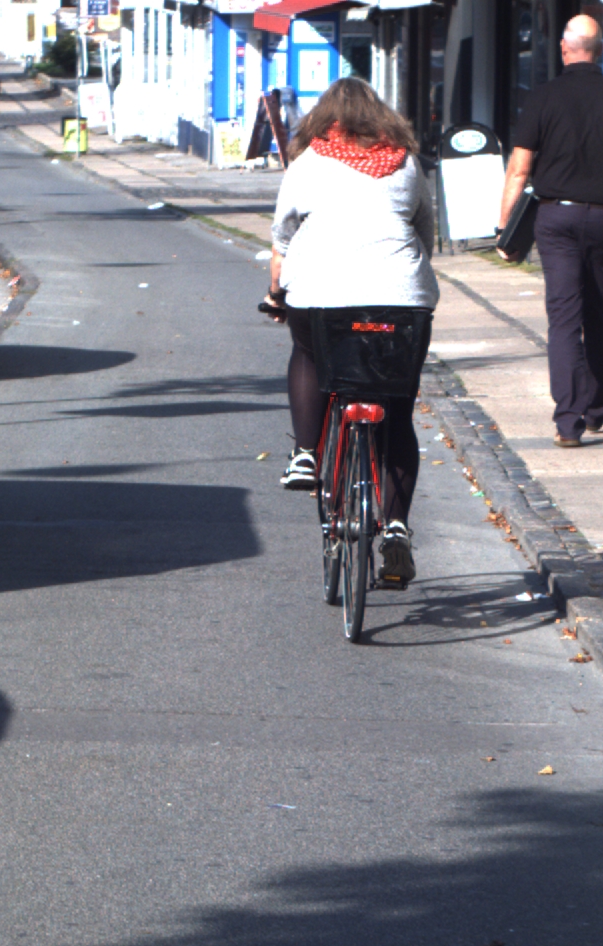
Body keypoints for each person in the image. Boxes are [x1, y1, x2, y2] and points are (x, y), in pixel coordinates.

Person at [265, 78, 438, 587]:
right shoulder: (405, 162)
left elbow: (283, 236)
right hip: (399, 298)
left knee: (308, 352)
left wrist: (276, 293)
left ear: (324, 120)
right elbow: (425, 231)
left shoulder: (308, 163)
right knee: (397, 409)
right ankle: (397, 528)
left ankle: (305, 454)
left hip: (322, 294)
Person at [496, 14, 603, 448]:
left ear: (565, 49)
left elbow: (519, 169)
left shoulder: (542, 98)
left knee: (564, 318)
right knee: (599, 313)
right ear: (599, 52)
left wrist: (505, 227)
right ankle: (598, 406)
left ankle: (568, 421)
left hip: (556, 219)